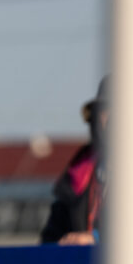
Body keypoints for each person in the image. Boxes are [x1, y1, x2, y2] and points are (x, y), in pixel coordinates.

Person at [41, 77, 107, 245]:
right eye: (105, 110)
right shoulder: (78, 173)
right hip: (80, 262)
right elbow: (50, 241)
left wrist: (97, 239)